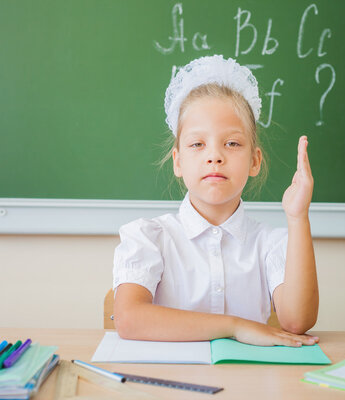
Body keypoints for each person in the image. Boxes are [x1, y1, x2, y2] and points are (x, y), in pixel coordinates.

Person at [112, 55, 318, 347]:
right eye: (197, 144)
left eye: (232, 143)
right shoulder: (150, 237)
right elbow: (129, 318)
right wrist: (235, 327)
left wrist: (298, 218)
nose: (214, 156)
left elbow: (297, 322)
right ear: (178, 162)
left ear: (254, 161)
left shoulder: (270, 243)